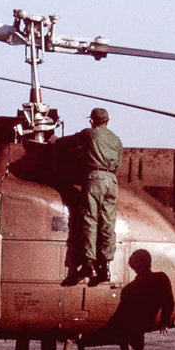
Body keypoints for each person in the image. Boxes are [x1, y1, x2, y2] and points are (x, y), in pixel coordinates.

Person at [59, 108, 122, 286]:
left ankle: (89, 264)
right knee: (108, 223)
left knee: (90, 220)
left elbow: (69, 142)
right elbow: (118, 164)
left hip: (96, 180)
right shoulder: (117, 140)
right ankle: (105, 266)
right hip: (112, 182)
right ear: (108, 122)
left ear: (92, 121)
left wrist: (56, 141)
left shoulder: (89, 134)